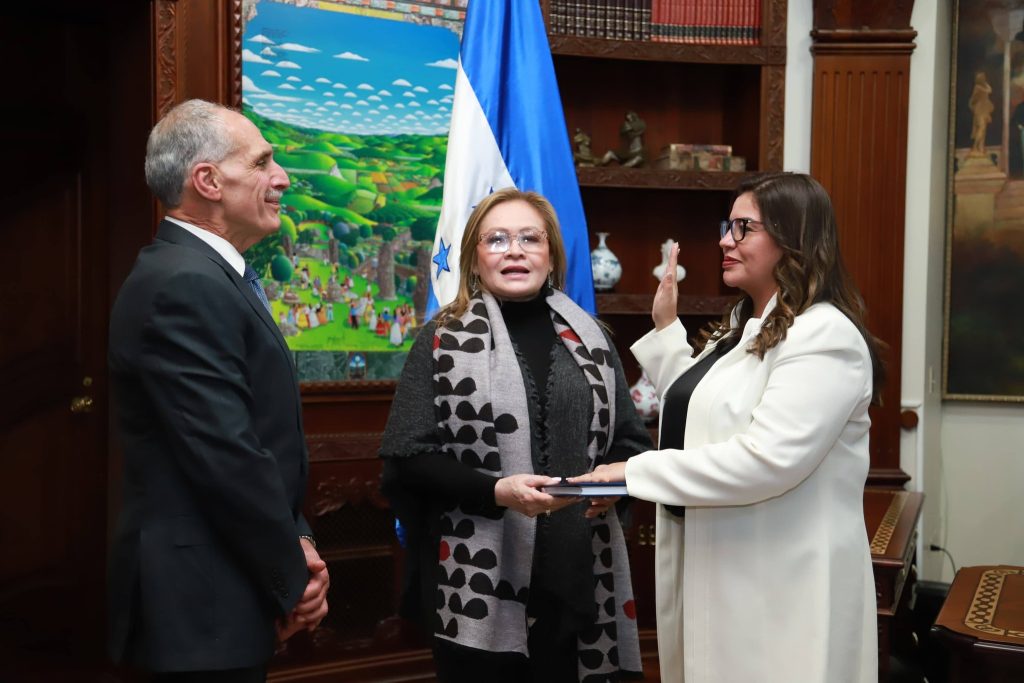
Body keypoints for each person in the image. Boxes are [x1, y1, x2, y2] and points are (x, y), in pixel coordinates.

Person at [573, 172, 884, 682]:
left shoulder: (824, 335)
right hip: (724, 563)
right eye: (727, 226)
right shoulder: (744, 326)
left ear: (792, 238)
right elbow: (708, 411)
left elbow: (767, 459)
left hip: (782, 582)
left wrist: (633, 472)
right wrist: (666, 328)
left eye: (743, 228)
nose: (724, 240)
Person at [379, 188, 652, 682]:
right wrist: (495, 492)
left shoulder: (592, 337)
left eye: (530, 238)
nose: (515, 251)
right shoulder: (440, 339)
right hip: (474, 581)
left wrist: (612, 486)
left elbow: (630, 443)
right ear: (474, 257)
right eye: (497, 239)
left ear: (551, 254)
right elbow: (409, 456)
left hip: (578, 574)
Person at [107, 99, 329, 681]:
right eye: (261, 162)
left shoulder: (206, 274)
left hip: (220, 593)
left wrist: (299, 541)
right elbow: (226, 453)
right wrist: (293, 574)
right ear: (207, 181)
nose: (282, 177)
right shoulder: (183, 282)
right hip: (199, 607)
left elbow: (260, 436)